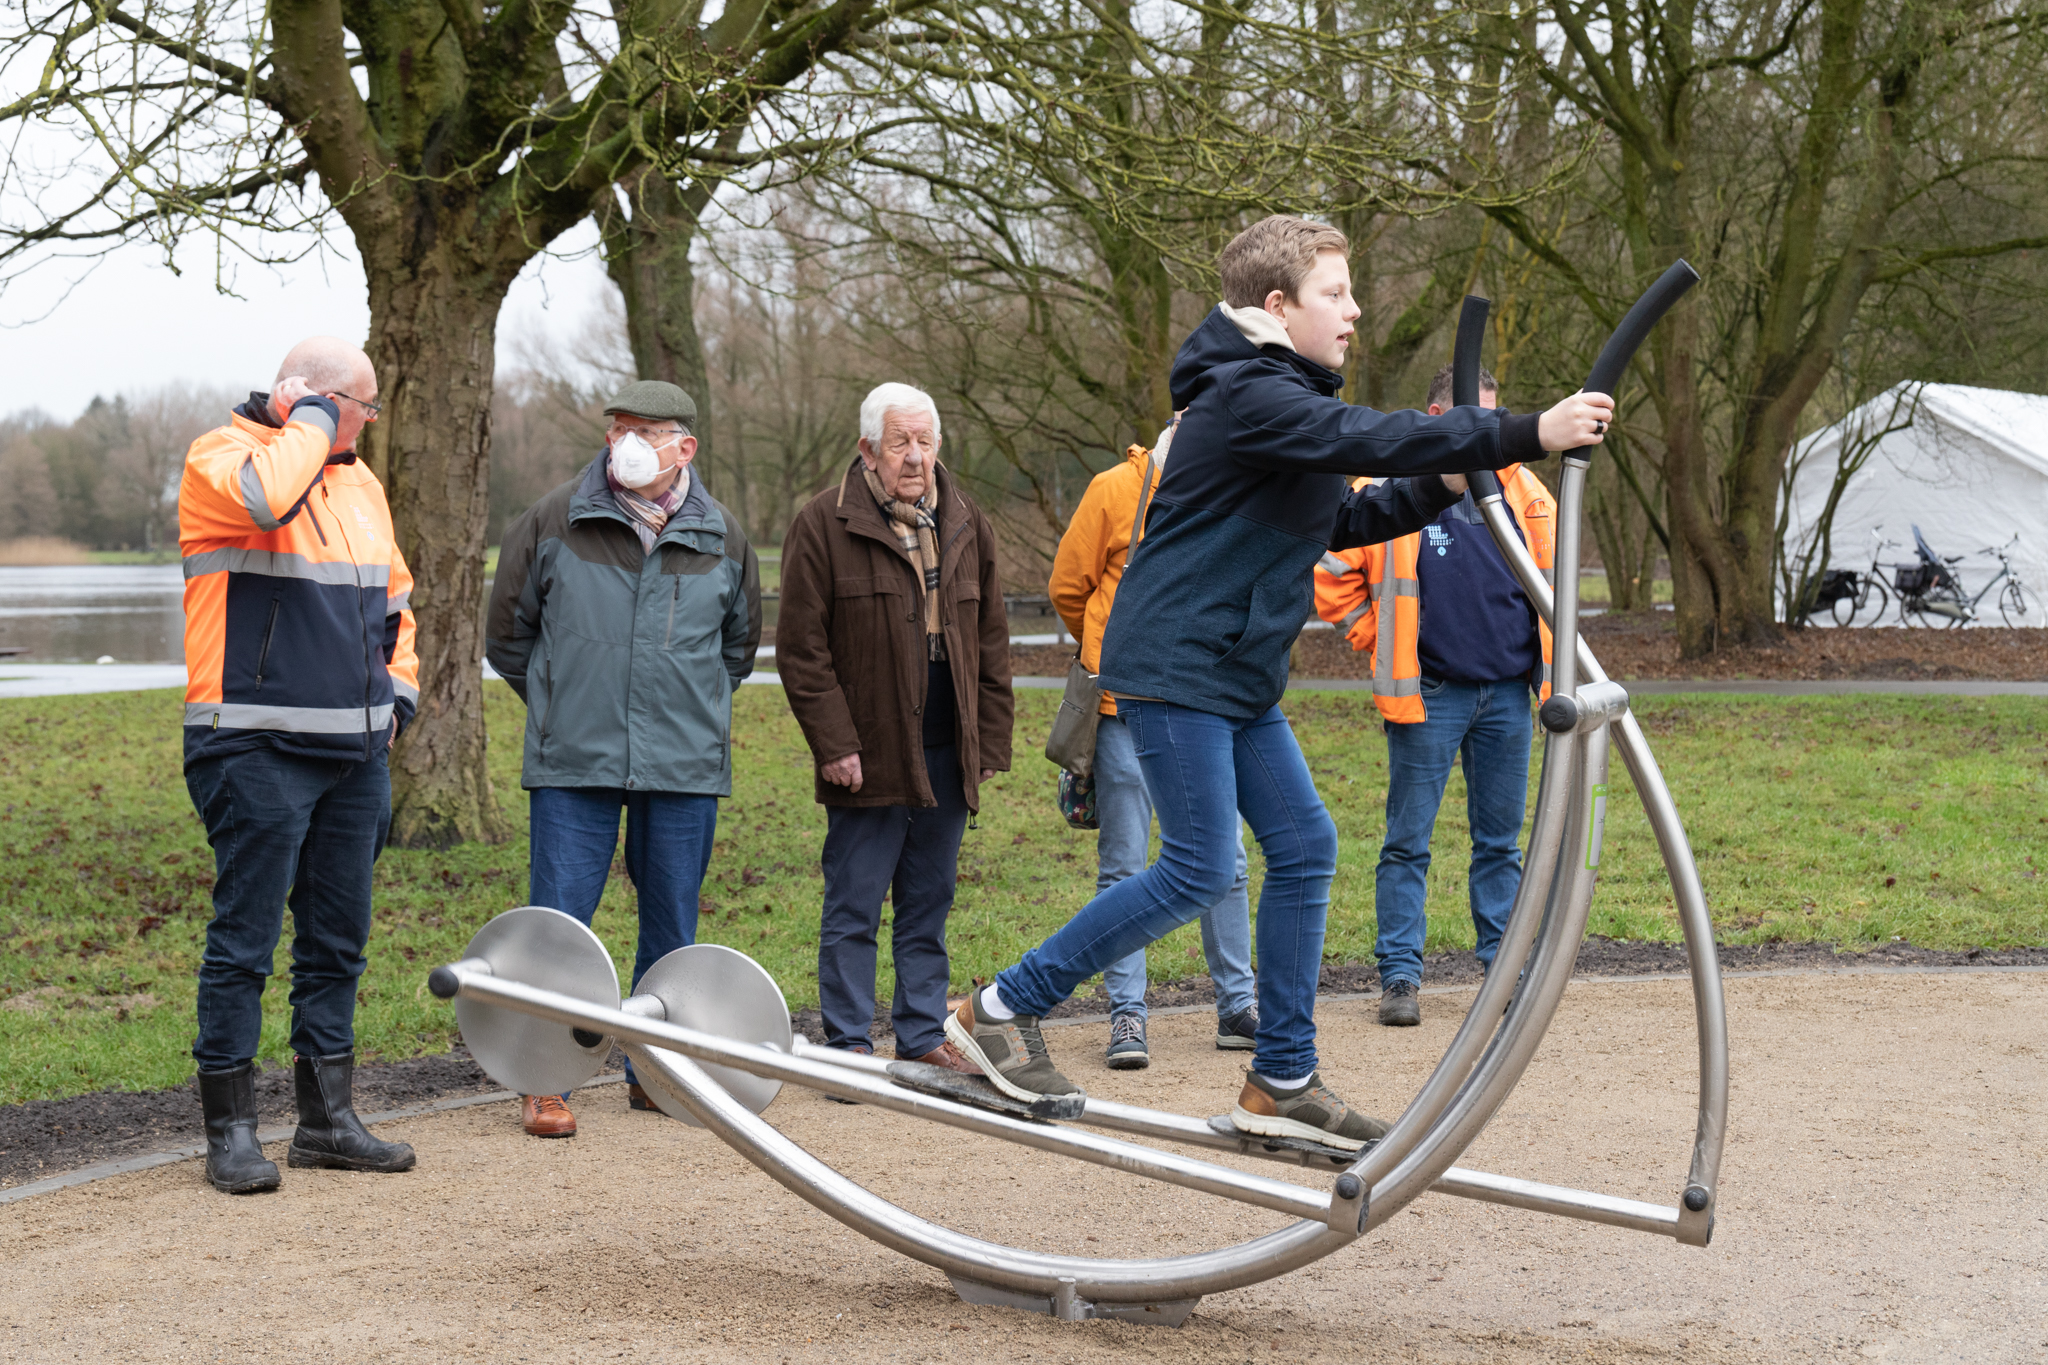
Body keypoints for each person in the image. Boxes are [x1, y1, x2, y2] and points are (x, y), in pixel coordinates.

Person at [944, 216, 1613, 1149]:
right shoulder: (1245, 392)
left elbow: (1340, 521)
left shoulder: (1282, 399)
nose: (1355, 310)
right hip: (1177, 664)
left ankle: (1283, 1077)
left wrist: (1445, 486)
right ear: (1277, 305)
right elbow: (1363, 435)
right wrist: (1527, 430)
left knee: (1304, 845)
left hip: (1239, 673)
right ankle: (998, 1010)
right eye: (1335, 293)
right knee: (1197, 867)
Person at [485, 380, 762, 1138]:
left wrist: (685, 705)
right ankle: (543, 1077)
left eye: (647, 430)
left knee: (672, 924)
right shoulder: (551, 519)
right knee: (558, 925)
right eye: (618, 428)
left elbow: (737, 649)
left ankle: (657, 1073)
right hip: (573, 759)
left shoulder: (723, 535)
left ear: (685, 447)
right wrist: (563, 699)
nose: (627, 442)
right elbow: (507, 636)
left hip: (682, 763)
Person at [179, 336, 420, 1194]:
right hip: (252, 745)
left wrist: (397, 700)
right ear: (308, 399)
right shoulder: (223, 458)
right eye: (360, 405)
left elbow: (396, 605)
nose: (369, 421)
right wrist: (311, 419)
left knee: (336, 944)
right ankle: (232, 1133)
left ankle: (326, 1122)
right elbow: (269, 500)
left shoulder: (362, 483)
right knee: (244, 943)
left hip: (355, 755)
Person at [778, 383, 1012, 1075]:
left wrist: (988, 741)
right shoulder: (823, 523)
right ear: (868, 450)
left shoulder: (966, 520)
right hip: (868, 748)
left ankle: (920, 1032)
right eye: (900, 442)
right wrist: (834, 743)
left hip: (948, 746)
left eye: (925, 442)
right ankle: (849, 1043)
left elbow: (991, 639)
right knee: (854, 902)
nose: (914, 457)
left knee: (929, 899)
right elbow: (801, 650)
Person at [1313, 365, 1554, 1029]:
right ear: (1436, 418)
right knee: (1407, 843)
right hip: (1430, 696)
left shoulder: (1528, 493)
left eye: (1496, 419)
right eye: (1477, 418)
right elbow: (1330, 575)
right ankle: (1400, 975)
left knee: (1500, 844)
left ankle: (1503, 969)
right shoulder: (1386, 490)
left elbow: (1552, 589)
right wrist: (1380, 638)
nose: (1490, 432)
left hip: (1508, 697)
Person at [1047, 442, 1258, 1069]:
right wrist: (1111, 651)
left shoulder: (1233, 483)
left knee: (1228, 861)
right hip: (1122, 709)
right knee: (1125, 865)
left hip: (1206, 704)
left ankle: (1238, 1007)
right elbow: (1068, 587)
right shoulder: (1114, 488)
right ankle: (1127, 1014)